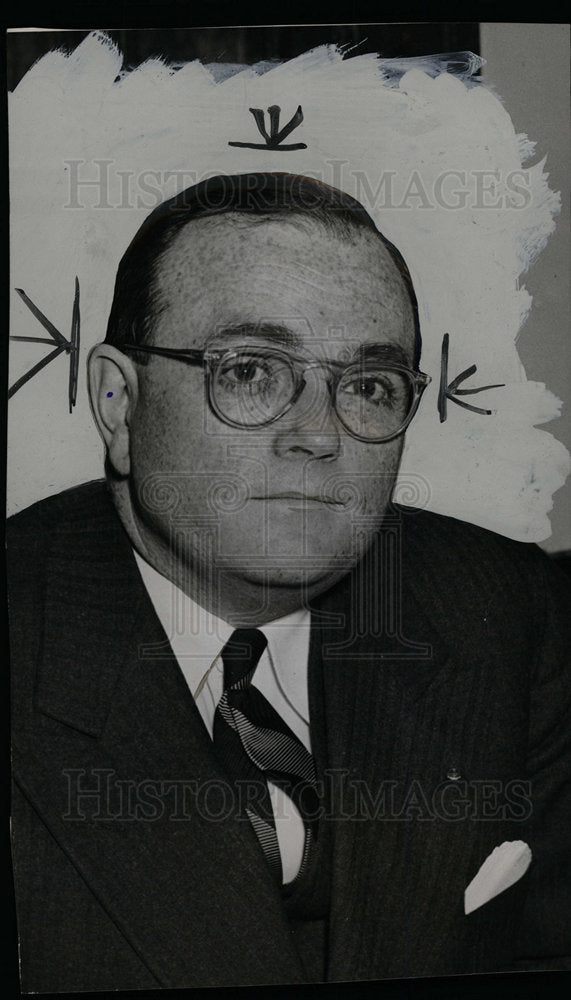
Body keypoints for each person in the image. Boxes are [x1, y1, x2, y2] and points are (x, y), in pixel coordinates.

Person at [9, 173, 571, 993]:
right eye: (250, 372)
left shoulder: (507, 610)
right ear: (118, 404)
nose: (316, 434)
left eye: (370, 387)